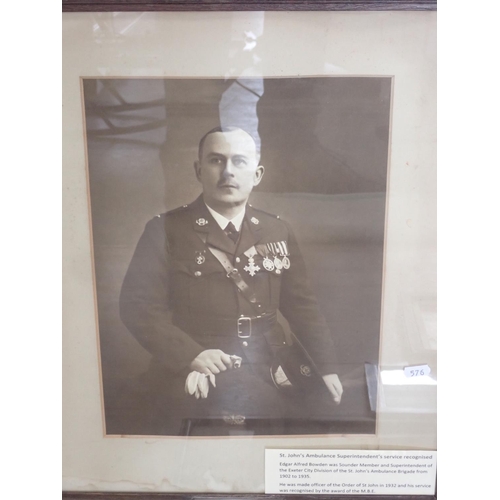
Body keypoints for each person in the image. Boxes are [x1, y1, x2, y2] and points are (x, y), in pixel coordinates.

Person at [117, 126, 343, 436]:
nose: (228, 172)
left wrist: (325, 366)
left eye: (239, 161)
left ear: (257, 173)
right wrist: (191, 355)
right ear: (199, 170)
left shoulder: (277, 230)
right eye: (215, 160)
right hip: (204, 359)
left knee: (313, 425)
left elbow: (302, 305)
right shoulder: (166, 230)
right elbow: (137, 307)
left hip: (271, 359)